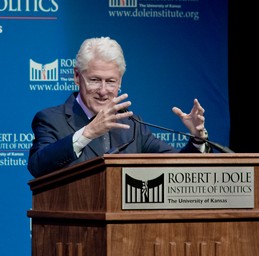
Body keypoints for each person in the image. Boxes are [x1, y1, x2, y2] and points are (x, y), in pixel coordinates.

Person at [28, 37, 211, 178]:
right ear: (77, 76)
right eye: (94, 80)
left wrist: (197, 138)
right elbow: (37, 166)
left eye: (111, 81)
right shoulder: (51, 119)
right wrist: (87, 133)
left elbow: (178, 166)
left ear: (120, 82)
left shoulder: (132, 125)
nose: (103, 90)